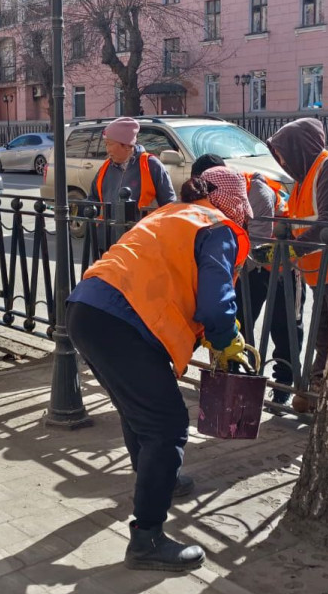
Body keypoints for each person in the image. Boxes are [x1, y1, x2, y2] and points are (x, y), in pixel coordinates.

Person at [67, 175, 252, 572]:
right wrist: (226, 337)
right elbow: (217, 302)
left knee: (140, 414)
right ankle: (147, 537)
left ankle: (155, 478)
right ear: (233, 203)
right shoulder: (217, 227)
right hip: (124, 321)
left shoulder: (174, 213)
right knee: (167, 426)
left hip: (87, 309)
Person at [266, 118, 328, 412]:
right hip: (320, 272)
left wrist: (289, 249)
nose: (280, 160)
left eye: (281, 152)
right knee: (325, 337)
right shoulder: (305, 177)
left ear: (298, 148)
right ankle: (320, 392)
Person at [191, 154, 300, 404]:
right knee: (239, 322)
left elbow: (257, 244)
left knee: (284, 328)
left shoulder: (256, 192)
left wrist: (222, 270)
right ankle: (235, 380)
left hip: (280, 267)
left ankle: (283, 386)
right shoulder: (218, 194)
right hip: (246, 266)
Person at [88, 117, 177, 220]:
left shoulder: (151, 165)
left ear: (126, 145)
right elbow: (93, 199)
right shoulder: (105, 167)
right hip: (110, 234)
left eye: (110, 144)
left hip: (141, 233)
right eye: (106, 144)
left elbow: (169, 205)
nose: (107, 150)